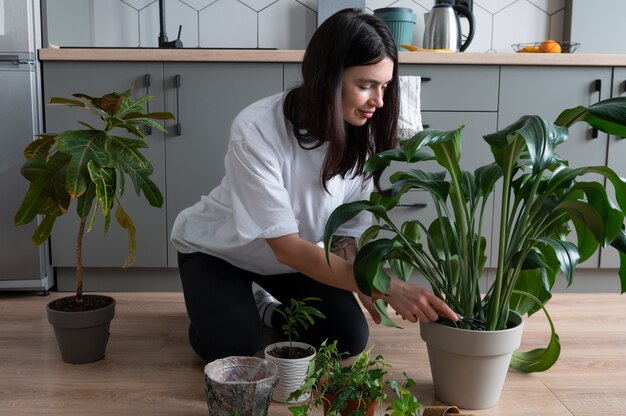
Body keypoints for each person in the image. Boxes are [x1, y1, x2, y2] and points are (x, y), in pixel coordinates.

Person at [170, 8, 458, 363]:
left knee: (348, 336)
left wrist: (364, 280)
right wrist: (385, 286)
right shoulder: (256, 130)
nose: (379, 101)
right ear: (327, 78)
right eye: (366, 85)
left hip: (289, 263)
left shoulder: (360, 132)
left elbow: (343, 234)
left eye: (384, 86)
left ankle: (263, 308)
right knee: (233, 346)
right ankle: (216, 309)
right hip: (220, 252)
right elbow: (287, 248)